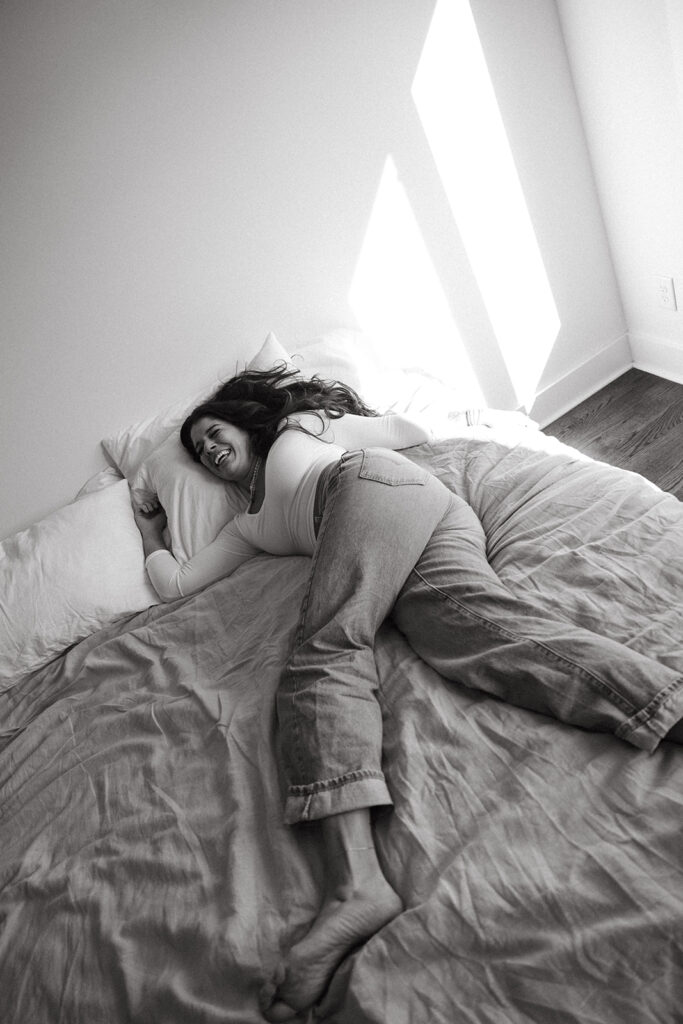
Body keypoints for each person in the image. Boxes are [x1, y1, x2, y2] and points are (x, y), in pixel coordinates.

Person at [133, 365, 683, 1022]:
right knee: (476, 634)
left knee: (324, 649)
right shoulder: (248, 527)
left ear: (244, 418)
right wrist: (152, 521)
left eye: (213, 432)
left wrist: (333, 425)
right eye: (198, 451)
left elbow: (407, 429)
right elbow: (176, 583)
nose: (210, 450)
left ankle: (356, 887)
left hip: (372, 486)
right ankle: (666, 705)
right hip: (419, 521)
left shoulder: (294, 433)